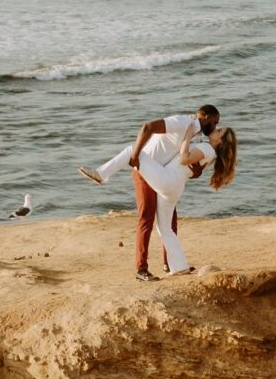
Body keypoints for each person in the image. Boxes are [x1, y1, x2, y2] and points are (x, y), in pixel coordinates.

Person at [80, 104, 236, 279]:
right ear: (206, 117)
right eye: (216, 123)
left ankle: (101, 174)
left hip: (164, 177)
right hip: (152, 173)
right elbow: (148, 127)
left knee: (166, 223)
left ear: (221, 141)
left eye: (219, 128)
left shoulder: (200, 139)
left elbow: (187, 160)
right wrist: (137, 159)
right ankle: (160, 267)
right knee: (155, 222)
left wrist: (187, 145)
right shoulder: (184, 123)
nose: (216, 127)